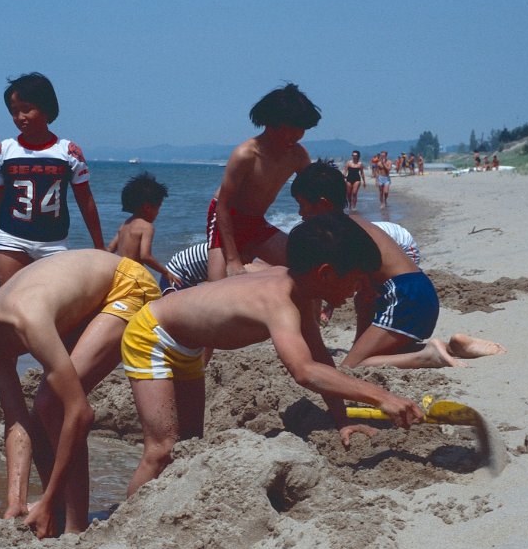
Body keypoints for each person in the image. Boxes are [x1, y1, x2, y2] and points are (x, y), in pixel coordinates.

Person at [121, 213, 426, 496]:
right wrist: (380, 396)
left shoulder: (302, 292)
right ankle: (124, 528)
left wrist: (342, 418)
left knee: (188, 445)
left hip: (187, 345)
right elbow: (304, 371)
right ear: (326, 273)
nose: (361, 290)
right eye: (357, 280)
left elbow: (319, 357)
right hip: (151, 336)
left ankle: (163, 508)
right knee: (161, 449)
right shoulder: (279, 301)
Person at [0, 249, 160, 539]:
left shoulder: (26, 319)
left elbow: (80, 412)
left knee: (53, 405)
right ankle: (53, 513)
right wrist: (15, 501)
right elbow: (17, 423)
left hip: (126, 286)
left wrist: (45, 499)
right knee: (44, 414)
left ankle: (74, 527)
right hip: (86, 303)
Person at [290, 161, 506, 369]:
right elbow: (365, 295)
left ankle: (430, 355)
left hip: (403, 296)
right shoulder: (357, 224)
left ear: (323, 203)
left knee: (352, 366)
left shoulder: (341, 234)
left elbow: (361, 290)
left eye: (303, 205)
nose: (301, 213)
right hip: (420, 292)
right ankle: (454, 347)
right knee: (380, 355)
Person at [0, 72, 104, 290]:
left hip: (54, 243)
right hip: (12, 238)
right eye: (14, 111)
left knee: (53, 302)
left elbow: (86, 202)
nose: (20, 117)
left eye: (27, 109)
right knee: (11, 300)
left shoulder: (68, 152)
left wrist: (99, 247)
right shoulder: (5, 150)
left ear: (46, 108)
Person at [206, 83, 319, 281]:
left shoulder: (298, 155)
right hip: (226, 220)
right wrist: (232, 260)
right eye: (287, 130)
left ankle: (257, 268)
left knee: (308, 265)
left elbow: (311, 193)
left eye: (299, 130)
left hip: (256, 222)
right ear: (270, 123)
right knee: (218, 285)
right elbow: (223, 206)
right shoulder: (246, 154)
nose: (293, 137)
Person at [107, 171, 177, 286]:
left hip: (119, 277)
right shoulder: (146, 227)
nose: (158, 212)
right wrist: (166, 272)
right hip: (134, 277)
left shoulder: (125, 224)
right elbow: (145, 256)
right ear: (147, 207)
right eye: (158, 208)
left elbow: (110, 249)